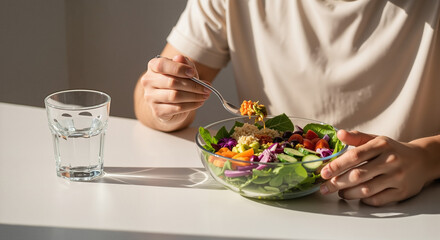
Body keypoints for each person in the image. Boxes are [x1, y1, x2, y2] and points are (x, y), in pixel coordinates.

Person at [134, 0, 440, 206]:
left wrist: (429, 158)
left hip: (408, 210)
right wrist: (166, 104)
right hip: (268, 208)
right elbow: (147, 102)